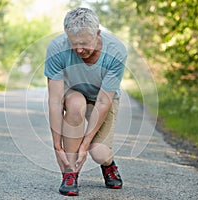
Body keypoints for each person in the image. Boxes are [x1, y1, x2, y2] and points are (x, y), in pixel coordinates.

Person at [44, 7, 127, 196]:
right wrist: (57, 146)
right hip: (73, 92)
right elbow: (55, 101)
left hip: (102, 97)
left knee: (98, 152)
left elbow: (103, 102)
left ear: (97, 34)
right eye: (74, 44)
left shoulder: (116, 51)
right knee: (75, 105)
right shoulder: (57, 48)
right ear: (67, 37)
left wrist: (85, 145)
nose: (79, 49)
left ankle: (109, 165)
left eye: (84, 43)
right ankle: (70, 173)